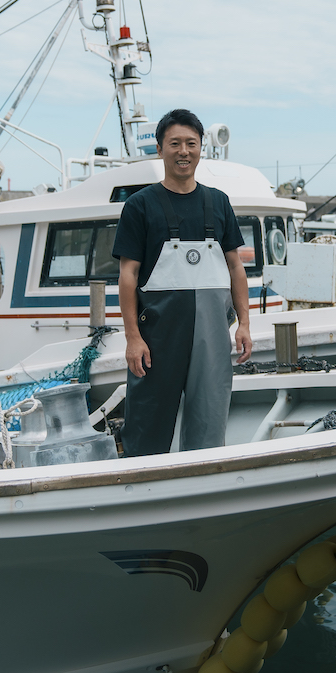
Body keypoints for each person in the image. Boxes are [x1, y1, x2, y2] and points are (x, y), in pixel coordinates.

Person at [112, 109, 253, 455]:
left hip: (212, 334)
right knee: (148, 420)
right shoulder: (139, 206)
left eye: (191, 143)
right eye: (174, 143)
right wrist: (133, 338)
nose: (183, 151)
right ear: (160, 149)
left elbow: (235, 267)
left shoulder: (218, 202)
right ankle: (142, 483)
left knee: (209, 418)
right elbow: (128, 275)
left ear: (202, 148)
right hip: (158, 336)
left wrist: (245, 323)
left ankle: (202, 483)